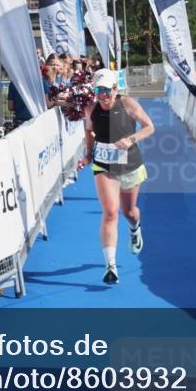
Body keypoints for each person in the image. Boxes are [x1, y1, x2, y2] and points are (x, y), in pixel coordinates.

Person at [77, 69, 155, 285]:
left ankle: (135, 228)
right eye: (98, 91)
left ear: (115, 89)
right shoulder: (91, 109)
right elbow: (89, 132)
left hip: (130, 165)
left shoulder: (127, 103)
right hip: (104, 165)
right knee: (111, 212)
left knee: (129, 212)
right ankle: (110, 266)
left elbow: (149, 127)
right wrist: (88, 155)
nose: (102, 95)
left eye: (106, 90)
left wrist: (130, 140)